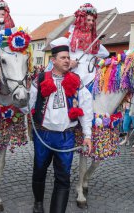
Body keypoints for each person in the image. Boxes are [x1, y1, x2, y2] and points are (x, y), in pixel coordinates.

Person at [30, 37, 93, 213]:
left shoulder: (76, 80)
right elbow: (30, 104)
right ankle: (38, 203)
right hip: (43, 135)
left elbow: (86, 108)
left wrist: (87, 135)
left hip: (66, 136)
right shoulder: (40, 78)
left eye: (68, 57)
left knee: (63, 177)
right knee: (39, 170)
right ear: (53, 60)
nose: (67, 60)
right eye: (63, 57)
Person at [67, 3, 110, 86]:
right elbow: (62, 52)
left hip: (91, 73)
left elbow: (105, 53)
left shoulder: (94, 40)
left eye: (93, 21)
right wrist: (69, 61)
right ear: (82, 20)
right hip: (74, 72)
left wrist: (94, 58)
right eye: (88, 20)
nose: (91, 22)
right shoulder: (71, 35)